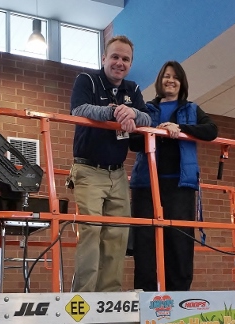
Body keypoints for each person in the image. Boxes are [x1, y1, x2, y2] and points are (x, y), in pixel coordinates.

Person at [69, 35, 151, 292]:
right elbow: (78, 110)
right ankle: (84, 298)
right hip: (88, 170)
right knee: (91, 232)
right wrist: (115, 113)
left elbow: (147, 119)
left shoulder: (134, 90)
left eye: (125, 59)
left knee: (118, 235)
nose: (119, 63)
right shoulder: (87, 80)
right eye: (114, 57)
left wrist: (134, 113)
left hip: (117, 174)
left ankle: (109, 297)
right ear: (104, 58)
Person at [129, 61, 218, 291]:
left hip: (180, 186)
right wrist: (158, 131)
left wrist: (181, 128)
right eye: (167, 76)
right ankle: (145, 295)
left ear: (182, 83)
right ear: (160, 81)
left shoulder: (191, 109)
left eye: (176, 77)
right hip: (147, 185)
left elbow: (211, 131)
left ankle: (178, 297)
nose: (171, 80)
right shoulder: (147, 109)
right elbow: (134, 142)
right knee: (145, 242)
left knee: (179, 242)